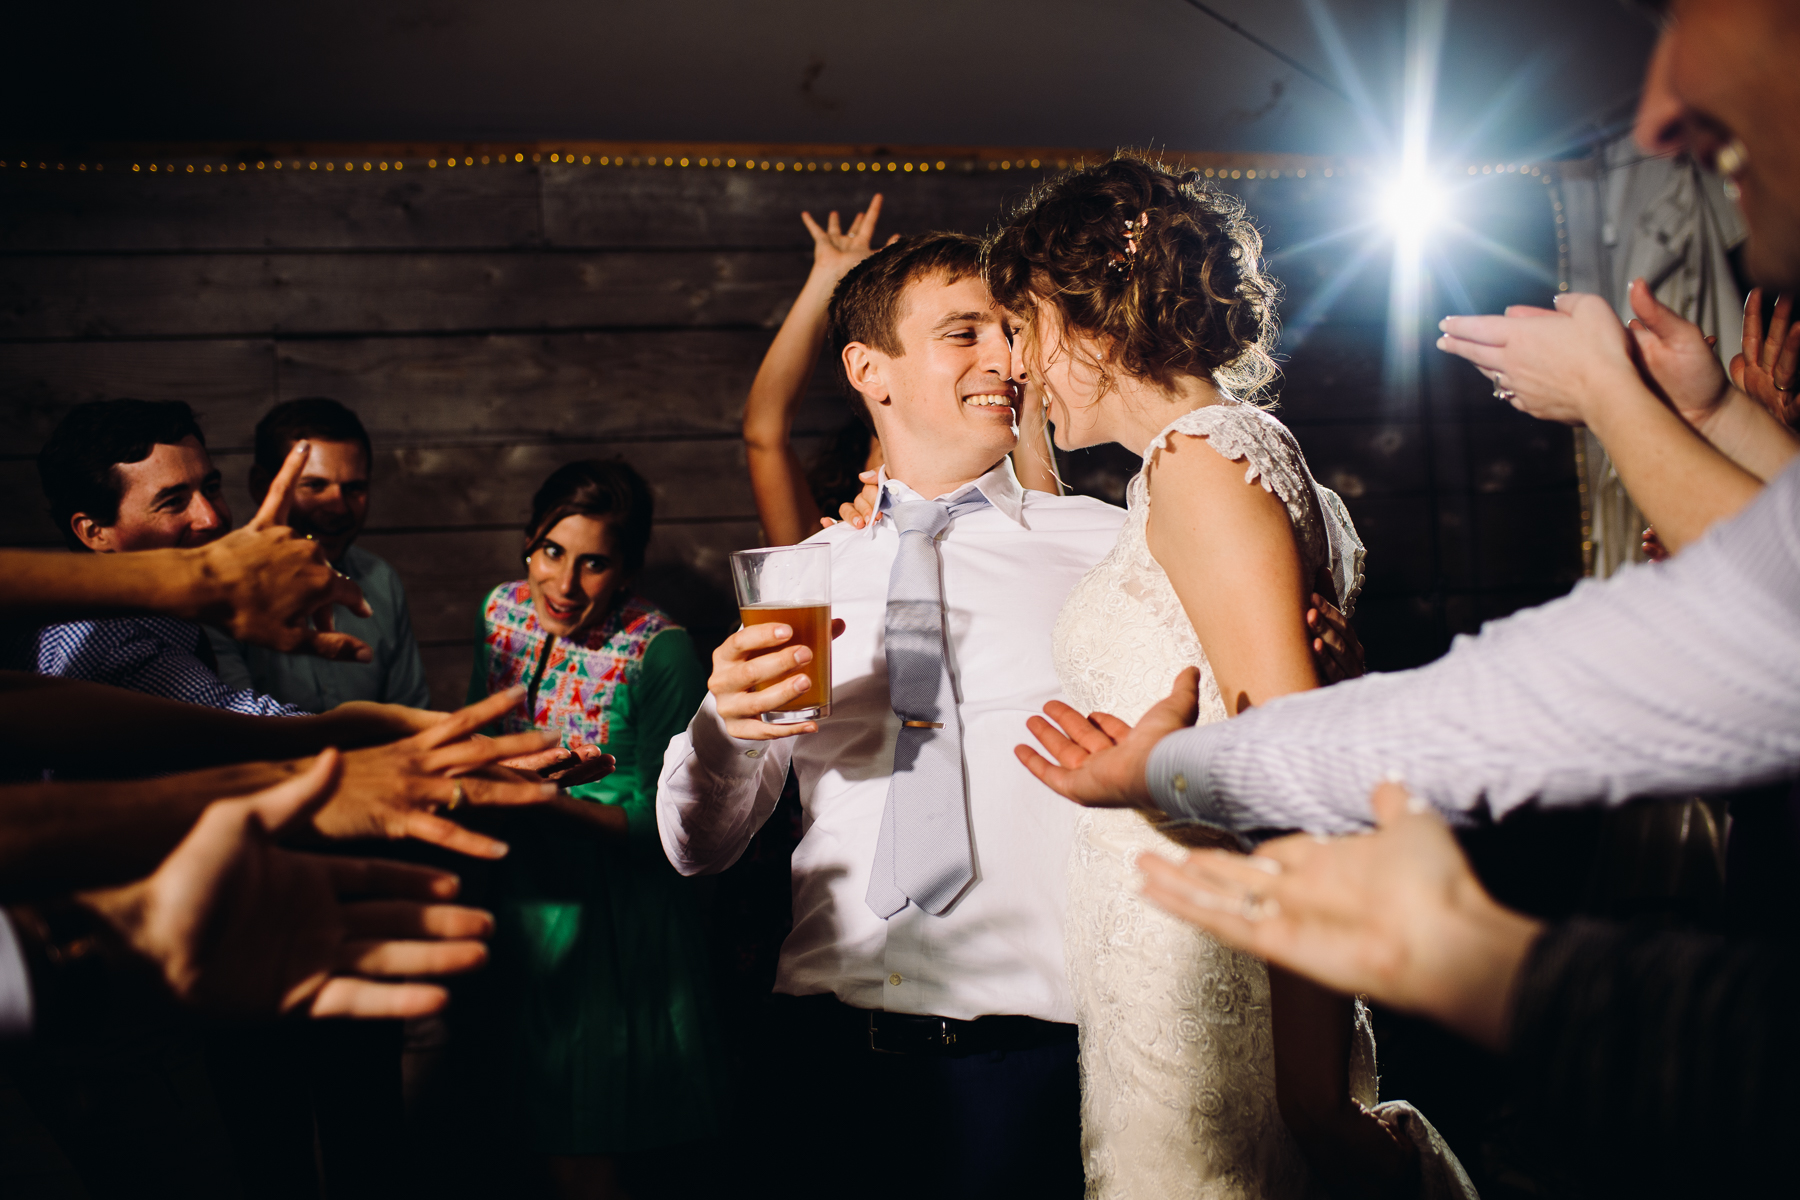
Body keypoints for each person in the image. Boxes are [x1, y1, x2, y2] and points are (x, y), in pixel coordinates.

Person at [985, 153, 1433, 1199]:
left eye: (1023, 328)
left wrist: (1311, 1102)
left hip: (1208, 980)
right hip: (1168, 960)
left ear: (1088, 320)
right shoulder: (1228, 458)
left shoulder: (1197, 466)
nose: (1018, 365)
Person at [660, 230, 1133, 1199]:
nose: (1005, 358)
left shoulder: (1115, 546)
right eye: (965, 333)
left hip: (1040, 1057)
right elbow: (694, 847)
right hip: (819, 1051)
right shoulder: (803, 580)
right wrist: (724, 725)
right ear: (869, 371)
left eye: (1011, 331)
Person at [466, 458, 721, 1200]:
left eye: (594, 563)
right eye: (551, 552)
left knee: (587, 1130)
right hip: (516, 895)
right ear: (526, 542)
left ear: (629, 568)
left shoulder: (660, 649)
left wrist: (552, 806)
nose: (564, 585)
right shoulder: (501, 613)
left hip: (612, 917)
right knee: (523, 1124)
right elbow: (477, 734)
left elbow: (677, 824)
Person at [742, 194, 1062, 547]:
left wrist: (1026, 384)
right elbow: (764, 432)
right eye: (883, 463)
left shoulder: (1047, 526)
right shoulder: (827, 550)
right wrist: (828, 277)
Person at [209, 397, 430, 711]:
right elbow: (237, 725)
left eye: (353, 488)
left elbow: (411, 713)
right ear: (261, 486)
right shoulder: (218, 587)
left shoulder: (380, 579)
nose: (338, 507)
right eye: (313, 485)